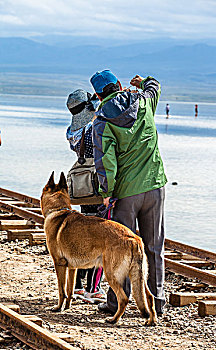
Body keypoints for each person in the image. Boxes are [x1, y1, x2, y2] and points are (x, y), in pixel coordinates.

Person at [90, 69, 167, 316]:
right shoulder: (143, 101)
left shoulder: (101, 121)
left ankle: (115, 302)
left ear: (97, 94)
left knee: (118, 246)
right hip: (155, 187)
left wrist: (107, 192)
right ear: (120, 84)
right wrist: (142, 81)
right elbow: (154, 85)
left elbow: (106, 162)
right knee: (154, 246)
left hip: (125, 193)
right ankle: (157, 302)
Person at [66, 89, 106, 304]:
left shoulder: (71, 132)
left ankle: (79, 286)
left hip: (83, 189)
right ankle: (93, 288)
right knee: (99, 239)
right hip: (97, 186)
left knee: (83, 237)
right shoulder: (94, 128)